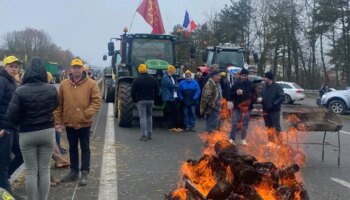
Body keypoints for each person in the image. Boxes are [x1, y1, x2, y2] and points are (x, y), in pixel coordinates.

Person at [6, 56, 59, 200]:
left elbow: (11, 115)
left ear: (27, 72)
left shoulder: (20, 91)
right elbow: (55, 105)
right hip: (47, 131)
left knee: (31, 171)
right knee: (44, 170)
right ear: (43, 72)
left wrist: (18, 123)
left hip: (27, 133)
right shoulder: (51, 89)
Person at [54, 58, 101, 186]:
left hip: (84, 123)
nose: (76, 70)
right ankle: (74, 171)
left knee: (85, 148)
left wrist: (86, 114)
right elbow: (59, 105)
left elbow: (96, 101)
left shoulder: (91, 84)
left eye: (78, 67)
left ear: (82, 69)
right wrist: (58, 121)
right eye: (74, 67)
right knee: (72, 148)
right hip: (69, 123)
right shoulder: (64, 84)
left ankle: (84, 172)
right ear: (70, 69)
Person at [0, 56, 20, 194]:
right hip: (4, 128)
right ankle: (6, 191)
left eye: (16, 66)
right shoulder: (2, 81)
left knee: (21, 154)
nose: (14, 69)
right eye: (11, 66)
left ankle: (4, 180)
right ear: (5, 67)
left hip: (13, 126)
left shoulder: (12, 82)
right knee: (4, 161)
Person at [131, 64, 160, 141]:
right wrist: (154, 98)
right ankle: (150, 134)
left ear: (139, 70)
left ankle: (144, 135)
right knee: (149, 116)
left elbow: (132, 92)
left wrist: (135, 100)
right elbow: (157, 90)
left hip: (141, 101)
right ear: (146, 70)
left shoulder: (136, 79)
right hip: (151, 100)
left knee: (143, 117)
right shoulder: (152, 78)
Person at [228, 68, 255, 145]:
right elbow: (230, 93)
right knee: (234, 122)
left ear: (247, 76)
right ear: (240, 76)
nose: (244, 77)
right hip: (237, 107)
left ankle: (243, 139)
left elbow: (253, 95)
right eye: (242, 75)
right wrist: (235, 93)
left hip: (246, 108)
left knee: (245, 123)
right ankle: (231, 138)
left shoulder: (251, 84)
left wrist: (244, 93)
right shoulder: (236, 84)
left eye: (245, 75)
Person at [259, 71, 285, 145]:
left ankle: (280, 144)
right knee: (268, 127)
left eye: (265, 77)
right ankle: (271, 142)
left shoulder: (277, 87)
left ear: (269, 78)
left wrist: (274, 104)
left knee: (276, 128)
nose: (264, 79)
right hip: (266, 111)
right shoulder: (264, 88)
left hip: (274, 111)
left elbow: (282, 97)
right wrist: (260, 99)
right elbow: (262, 96)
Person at [161, 65, 183, 132]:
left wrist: (176, 86)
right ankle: (171, 126)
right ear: (170, 71)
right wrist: (177, 86)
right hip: (169, 97)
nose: (173, 72)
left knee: (175, 112)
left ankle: (174, 126)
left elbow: (176, 84)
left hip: (174, 96)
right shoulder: (165, 77)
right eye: (173, 71)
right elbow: (170, 85)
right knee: (173, 112)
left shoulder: (172, 77)